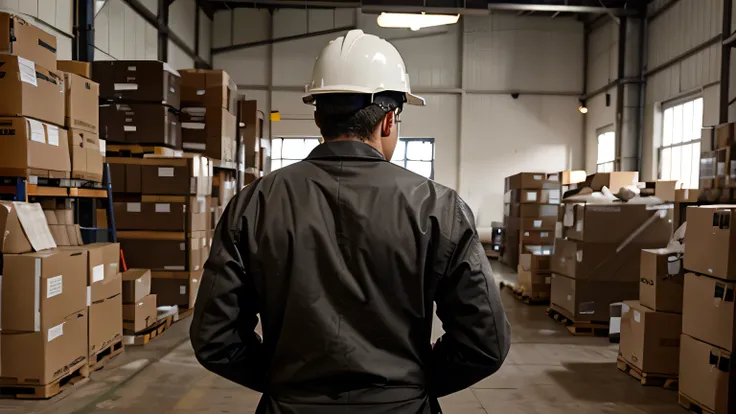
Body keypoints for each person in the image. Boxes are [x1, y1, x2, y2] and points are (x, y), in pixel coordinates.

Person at [190, 29, 510, 414]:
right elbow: (485, 341)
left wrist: (285, 383)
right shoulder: (438, 208)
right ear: (389, 120)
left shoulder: (255, 204)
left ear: (317, 116)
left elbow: (214, 336)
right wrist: (412, 387)